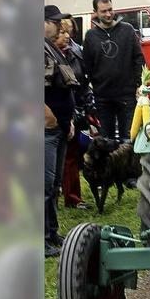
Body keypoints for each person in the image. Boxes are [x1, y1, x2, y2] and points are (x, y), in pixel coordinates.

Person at [83, 0, 145, 140]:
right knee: (106, 140)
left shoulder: (127, 30)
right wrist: (93, 87)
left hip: (127, 95)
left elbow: (138, 58)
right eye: (104, 11)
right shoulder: (91, 36)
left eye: (110, 9)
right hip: (102, 97)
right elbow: (87, 65)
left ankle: (129, 164)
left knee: (129, 138)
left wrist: (140, 84)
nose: (108, 14)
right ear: (95, 12)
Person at [44, 5, 77, 257]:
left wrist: (68, 121)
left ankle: (52, 232)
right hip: (46, 128)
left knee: (54, 185)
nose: (60, 26)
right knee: (43, 186)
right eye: (55, 22)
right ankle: (42, 240)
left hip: (59, 127)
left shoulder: (52, 47)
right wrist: (50, 117)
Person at [57, 18, 95, 210]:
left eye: (68, 31)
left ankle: (73, 196)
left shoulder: (74, 52)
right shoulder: (50, 56)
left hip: (78, 109)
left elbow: (82, 80)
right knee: (65, 157)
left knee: (73, 154)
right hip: (61, 112)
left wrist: (88, 99)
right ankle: (69, 197)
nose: (67, 35)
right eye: (62, 32)